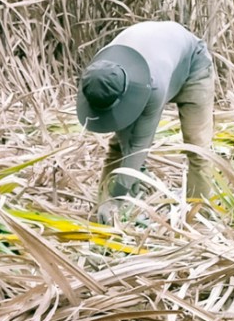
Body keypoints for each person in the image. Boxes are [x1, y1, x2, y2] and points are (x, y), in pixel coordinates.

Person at [76, 21, 214, 222]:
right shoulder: (99, 73)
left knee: (197, 148)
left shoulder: (154, 85)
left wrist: (118, 195)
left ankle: (199, 218)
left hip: (193, 66)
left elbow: (140, 145)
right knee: (117, 147)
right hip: (160, 57)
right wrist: (131, 176)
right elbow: (125, 142)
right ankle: (102, 214)